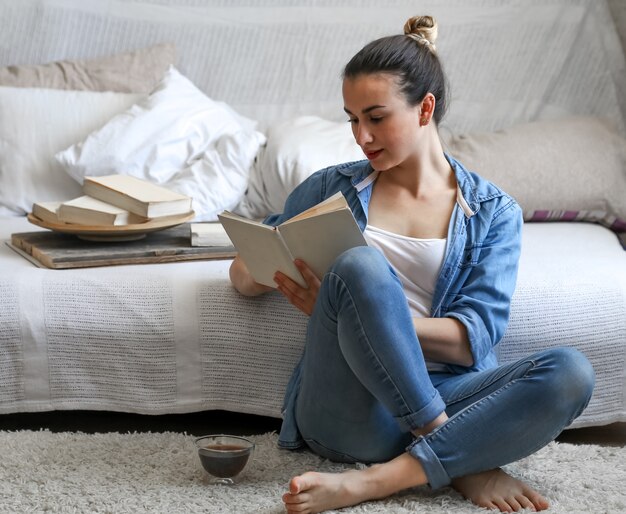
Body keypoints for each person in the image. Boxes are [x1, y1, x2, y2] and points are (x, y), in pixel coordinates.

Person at [229, 15, 595, 514]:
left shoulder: (492, 212)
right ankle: (456, 453)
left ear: (425, 109)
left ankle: (375, 482)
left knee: (571, 372)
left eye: (376, 117)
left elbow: (472, 341)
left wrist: (368, 319)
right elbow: (243, 273)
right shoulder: (329, 188)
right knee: (360, 267)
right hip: (351, 409)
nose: (361, 135)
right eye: (352, 118)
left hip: (448, 390)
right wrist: (263, 271)